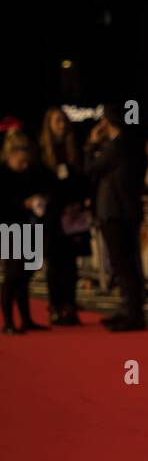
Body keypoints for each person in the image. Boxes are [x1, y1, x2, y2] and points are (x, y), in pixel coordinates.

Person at [84, 106, 146, 331]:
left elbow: (90, 168)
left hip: (116, 213)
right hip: (127, 212)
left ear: (107, 122)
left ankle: (132, 313)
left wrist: (91, 144)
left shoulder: (116, 147)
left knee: (124, 265)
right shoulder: (130, 144)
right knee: (128, 265)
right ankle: (129, 309)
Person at [39, 107, 87, 325]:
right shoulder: (42, 153)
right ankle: (56, 306)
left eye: (63, 120)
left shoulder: (73, 152)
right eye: (57, 120)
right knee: (54, 263)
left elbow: (80, 179)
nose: (61, 124)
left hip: (72, 215)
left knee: (71, 264)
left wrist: (78, 202)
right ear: (49, 125)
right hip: (51, 216)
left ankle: (70, 305)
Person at [0, 132, 51, 333]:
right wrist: (24, 203)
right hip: (9, 228)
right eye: (20, 152)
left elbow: (47, 187)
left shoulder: (32, 172)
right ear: (10, 153)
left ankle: (26, 319)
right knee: (13, 274)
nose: (24, 157)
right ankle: (8, 323)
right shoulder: (3, 174)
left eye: (26, 152)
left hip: (31, 226)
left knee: (27, 274)